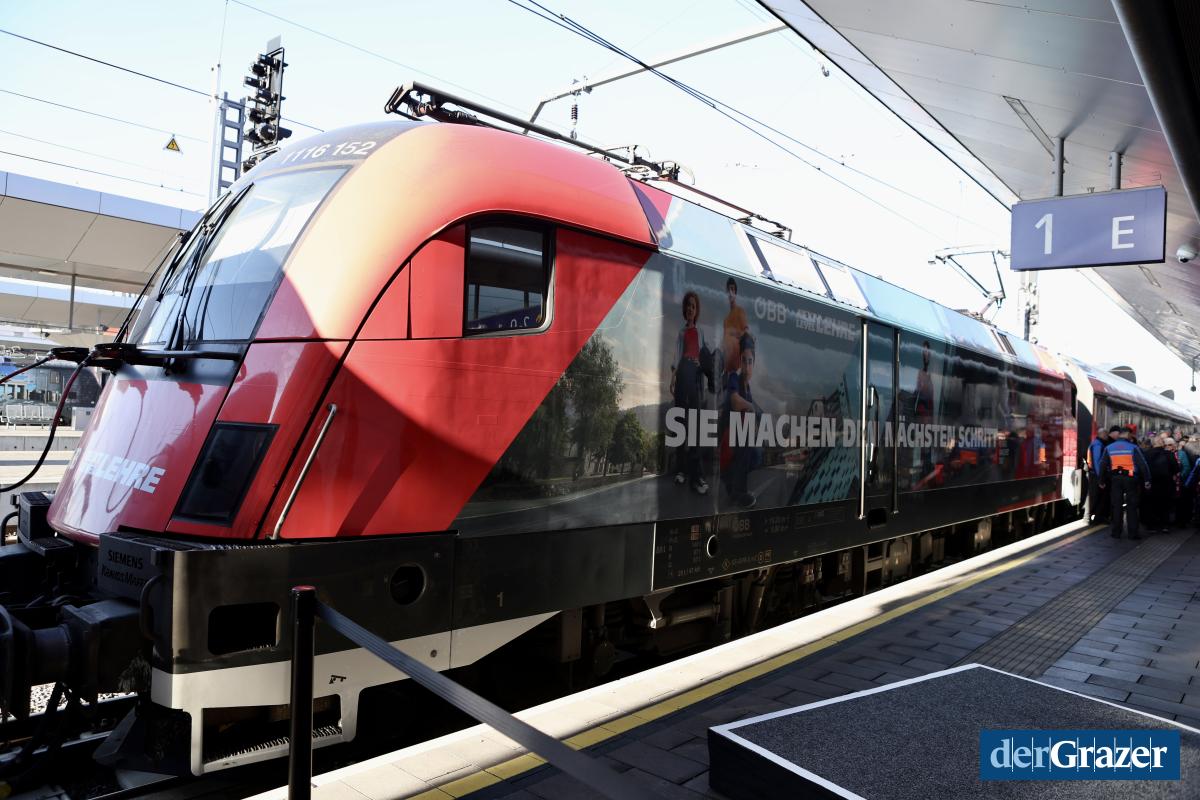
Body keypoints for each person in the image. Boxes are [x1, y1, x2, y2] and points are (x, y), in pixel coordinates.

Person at [669, 290, 710, 496]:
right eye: (688, 305)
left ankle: (697, 476)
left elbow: (704, 358)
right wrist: (673, 378)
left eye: (693, 306)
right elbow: (677, 357)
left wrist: (700, 366)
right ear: (685, 309)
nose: (690, 309)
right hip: (683, 373)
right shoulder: (681, 332)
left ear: (696, 310)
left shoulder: (700, 332)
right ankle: (681, 471)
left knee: (694, 425)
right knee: (680, 422)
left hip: (695, 376)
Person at [723, 333, 760, 509]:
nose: (747, 366)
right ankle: (737, 492)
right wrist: (750, 407)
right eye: (744, 361)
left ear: (754, 363)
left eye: (750, 362)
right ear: (740, 361)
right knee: (744, 445)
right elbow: (735, 402)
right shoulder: (734, 378)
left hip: (740, 436)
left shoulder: (749, 388)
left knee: (755, 454)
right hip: (729, 438)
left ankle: (734, 486)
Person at [1101, 427, 1152, 540]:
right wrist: (1147, 480)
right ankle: (1132, 534)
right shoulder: (1133, 447)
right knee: (1132, 506)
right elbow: (1143, 464)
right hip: (1131, 479)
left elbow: (1103, 464)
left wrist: (1101, 480)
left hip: (1115, 479)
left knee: (1117, 506)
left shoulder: (1109, 448)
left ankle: (1116, 532)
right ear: (1127, 434)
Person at [1145, 434, 1179, 532]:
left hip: (1151, 483)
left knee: (1151, 504)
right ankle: (1165, 525)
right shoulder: (1169, 454)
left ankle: (1152, 526)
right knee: (1165, 504)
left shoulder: (1146, 454)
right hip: (1166, 483)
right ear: (1162, 443)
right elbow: (1176, 468)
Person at [721, 277, 749, 377]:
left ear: (736, 293)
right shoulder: (726, 320)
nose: (730, 292)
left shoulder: (740, 311)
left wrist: (733, 333)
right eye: (728, 290)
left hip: (737, 369)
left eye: (732, 289)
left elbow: (746, 334)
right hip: (726, 369)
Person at [1086, 427, 1111, 524]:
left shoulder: (1096, 443)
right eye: (1106, 434)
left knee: (1097, 496)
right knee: (1097, 496)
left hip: (1094, 474)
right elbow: (1097, 462)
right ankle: (1095, 518)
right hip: (1096, 475)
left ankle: (1095, 517)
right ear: (1102, 434)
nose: (1107, 436)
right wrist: (1100, 478)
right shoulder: (1098, 445)